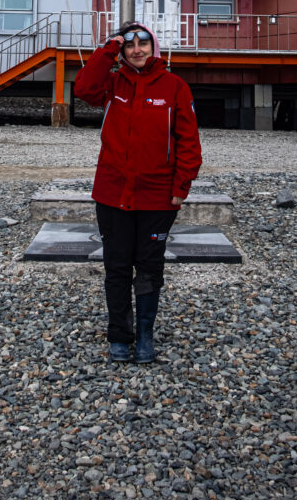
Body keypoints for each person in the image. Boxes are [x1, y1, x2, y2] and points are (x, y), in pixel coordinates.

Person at [74, 20, 202, 363]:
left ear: (153, 47)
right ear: (122, 50)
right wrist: (108, 49)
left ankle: (145, 334)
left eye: (143, 43)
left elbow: (189, 143)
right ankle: (119, 335)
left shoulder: (175, 87)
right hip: (112, 194)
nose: (137, 50)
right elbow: (83, 88)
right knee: (116, 267)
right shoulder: (112, 83)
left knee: (148, 268)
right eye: (129, 44)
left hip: (157, 197)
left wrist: (181, 188)